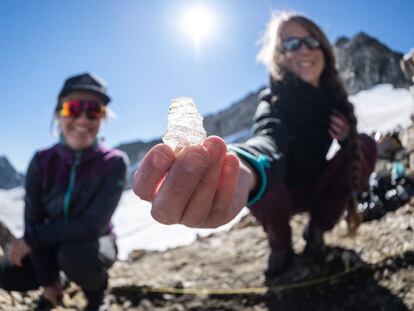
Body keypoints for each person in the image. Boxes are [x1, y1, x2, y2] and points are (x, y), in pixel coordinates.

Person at [133, 12, 377, 278]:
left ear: (323, 48)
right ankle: (280, 246)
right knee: (266, 181)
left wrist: (345, 140)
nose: (304, 49)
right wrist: (244, 166)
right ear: (280, 56)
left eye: (311, 41)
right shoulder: (274, 102)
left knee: (363, 145)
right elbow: (267, 139)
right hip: (281, 194)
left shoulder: (336, 104)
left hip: (316, 189)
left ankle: (316, 233)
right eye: (292, 44)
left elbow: (350, 157)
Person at [0, 72, 128, 310]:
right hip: (51, 241)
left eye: (93, 111)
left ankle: (97, 292)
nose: (82, 119)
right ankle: (57, 282)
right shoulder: (41, 161)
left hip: (93, 243)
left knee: (75, 256)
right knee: (7, 273)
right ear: (59, 114)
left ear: (102, 118)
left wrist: (32, 238)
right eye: (73, 109)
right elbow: (33, 220)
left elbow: (93, 226)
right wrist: (47, 283)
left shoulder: (114, 163)